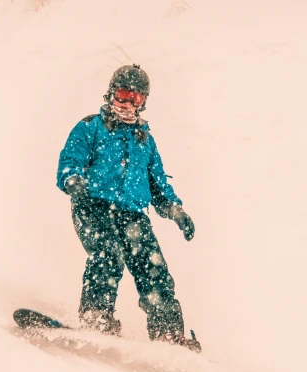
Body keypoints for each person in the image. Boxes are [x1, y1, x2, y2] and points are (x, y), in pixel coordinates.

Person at [55, 64, 201, 352]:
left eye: (135, 99)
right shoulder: (90, 127)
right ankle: (97, 315)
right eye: (122, 96)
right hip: (93, 206)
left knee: (153, 267)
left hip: (132, 214)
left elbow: (157, 185)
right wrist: (73, 180)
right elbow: (70, 160)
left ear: (144, 102)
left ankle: (168, 334)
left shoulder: (144, 141)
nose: (127, 104)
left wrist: (176, 210)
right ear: (110, 94)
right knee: (108, 252)